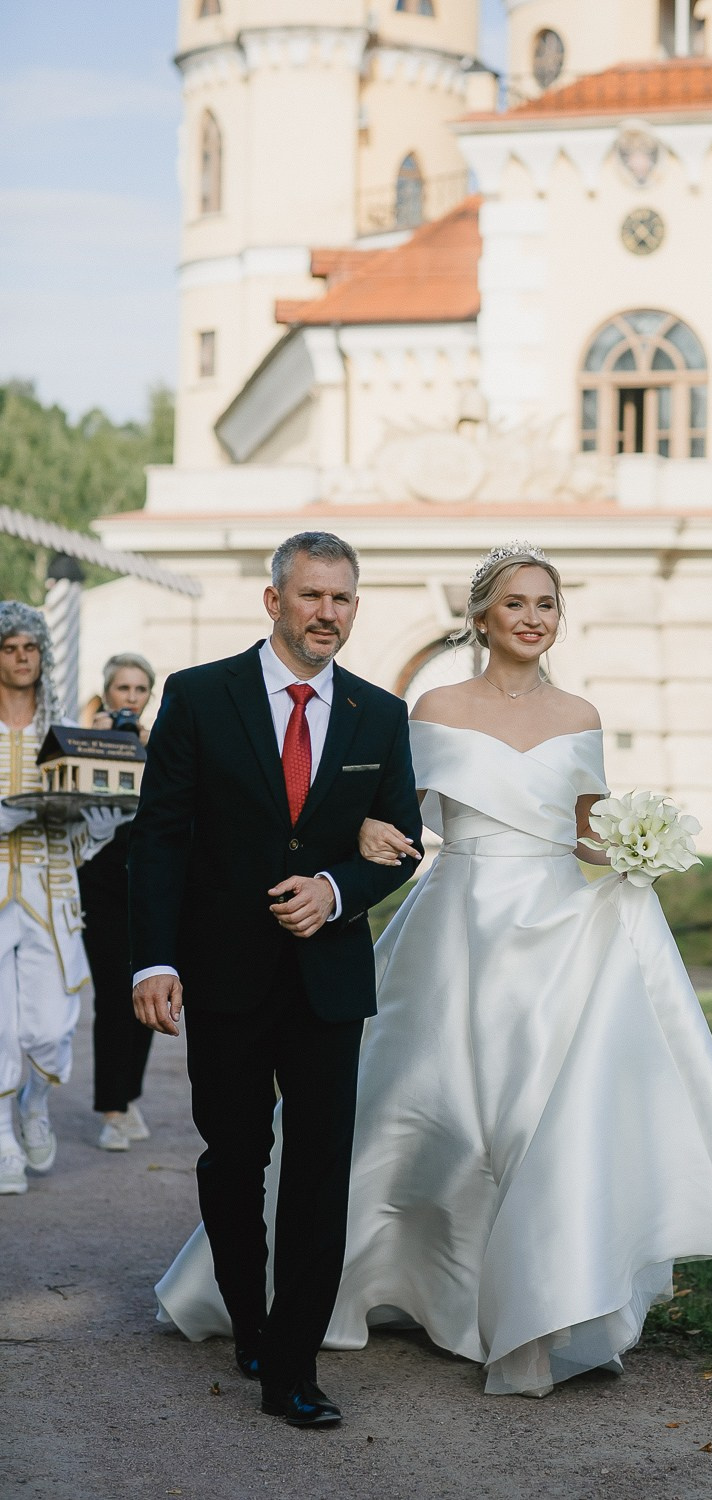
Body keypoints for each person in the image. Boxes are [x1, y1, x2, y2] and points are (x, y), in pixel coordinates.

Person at [154, 544, 712, 1398]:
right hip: (459, 927)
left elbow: (589, 830)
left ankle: (528, 1304)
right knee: (421, 1113)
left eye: (547, 605)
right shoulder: (429, 707)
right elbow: (384, 818)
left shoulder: (581, 713)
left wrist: (641, 848)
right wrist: (362, 852)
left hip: (559, 932)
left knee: (535, 1121)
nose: (533, 618)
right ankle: (362, 1289)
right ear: (482, 614)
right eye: (517, 603)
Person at [127, 532, 423, 1429]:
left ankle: (292, 1364)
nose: (326, 613)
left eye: (341, 599)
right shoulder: (198, 695)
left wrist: (338, 887)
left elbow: (400, 841)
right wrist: (154, 958)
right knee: (235, 1157)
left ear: (355, 609)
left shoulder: (380, 715)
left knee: (320, 1169)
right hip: (222, 972)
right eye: (310, 597)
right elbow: (162, 836)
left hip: (328, 977)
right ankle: (249, 1321)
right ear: (274, 602)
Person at [0, 601, 121, 1196]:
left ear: (43, 656)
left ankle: (34, 1100)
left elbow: (74, 830)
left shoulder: (64, 734)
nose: (21, 658)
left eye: (30, 647)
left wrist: (95, 831)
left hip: (49, 893)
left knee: (50, 1027)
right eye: (9, 647)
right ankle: (1, 1139)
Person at [78, 653, 156, 1152]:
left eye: (139, 689)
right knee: (112, 994)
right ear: (107, 694)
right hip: (100, 882)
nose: (130, 698)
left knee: (150, 988)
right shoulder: (84, 741)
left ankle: (128, 1095)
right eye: (122, 688)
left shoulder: (164, 744)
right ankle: (112, 1107)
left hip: (150, 882)